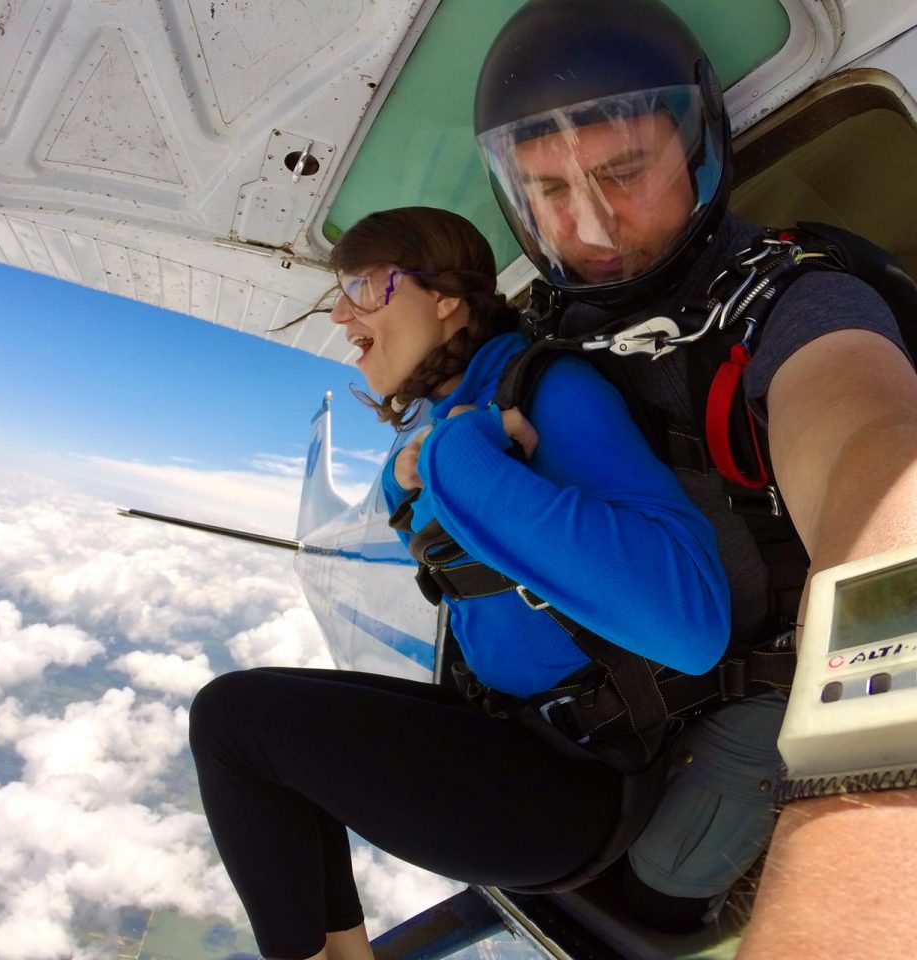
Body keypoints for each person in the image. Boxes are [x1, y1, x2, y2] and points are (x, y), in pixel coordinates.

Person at [473, 0, 917, 955]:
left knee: (648, 909)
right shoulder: (545, 335)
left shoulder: (795, 300)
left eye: (624, 171)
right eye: (548, 189)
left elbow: (877, 473)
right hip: (616, 682)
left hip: (753, 693)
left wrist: (871, 794)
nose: (589, 224)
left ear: (698, 149)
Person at [189, 205, 732, 959]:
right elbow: (410, 496)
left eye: (364, 285)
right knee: (267, 745)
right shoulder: (456, 415)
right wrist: (424, 462)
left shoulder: (552, 390)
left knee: (232, 724)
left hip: (577, 784)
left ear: (446, 296)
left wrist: (452, 457)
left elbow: (692, 626)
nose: (342, 313)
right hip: (515, 732)